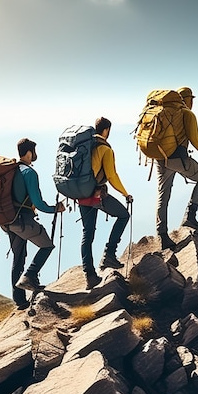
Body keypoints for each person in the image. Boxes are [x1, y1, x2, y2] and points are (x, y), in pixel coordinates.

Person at [3, 138, 65, 309]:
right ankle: (30, 276)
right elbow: (38, 203)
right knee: (47, 246)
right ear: (29, 152)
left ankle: (19, 300)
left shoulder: (12, 170)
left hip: (8, 220)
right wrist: (55, 209)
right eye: (34, 152)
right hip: (23, 220)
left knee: (18, 257)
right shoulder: (29, 173)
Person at [79, 117, 133, 289]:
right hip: (96, 195)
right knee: (124, 215)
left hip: (81, 194)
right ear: (106, 130)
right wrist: (126, 193)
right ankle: (109, 254)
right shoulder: (105, 149)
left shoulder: (85, 146)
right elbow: (111, 176)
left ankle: (90, 275)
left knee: (87, 234)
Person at [156, 86, 198, 250]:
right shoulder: (187, 113)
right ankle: (190, 215)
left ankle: (162, 235)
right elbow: (195, 139)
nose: (192, 102)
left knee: (163, 195)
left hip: (161, 159)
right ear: (187, 99)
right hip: (178, 159)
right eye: (191, 99)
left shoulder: (164, 112)